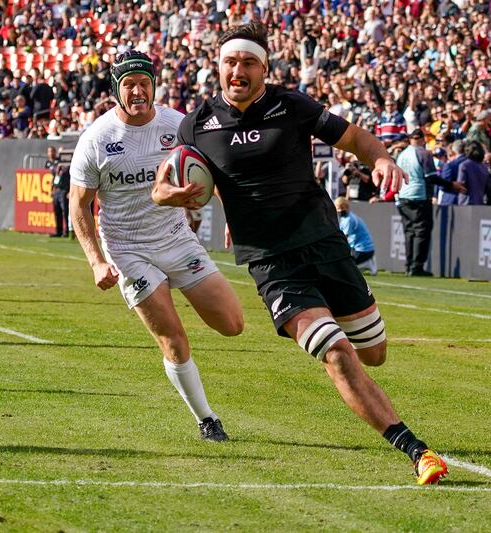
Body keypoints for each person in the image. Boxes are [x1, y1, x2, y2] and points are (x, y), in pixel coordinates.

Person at [153, 21, 447, 484]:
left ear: (264, 69)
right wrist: (166, 196)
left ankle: (369, 370)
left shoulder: (293, 106)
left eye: (249, 62)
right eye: (231, 61)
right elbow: (165, 181)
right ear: (218, 67)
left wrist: (383, 159)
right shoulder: (197, 124)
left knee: (373, 353)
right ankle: (416, 450)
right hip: (271, 262)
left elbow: (355, 139)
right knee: (337, 353)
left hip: (323, 243)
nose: (238, 70)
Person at [69, 51, 244, 442]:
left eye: (144, 83)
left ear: (154, 85)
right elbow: (78, 205)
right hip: (128, 249)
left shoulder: (177, 125)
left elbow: (216, 173)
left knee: (232, 324)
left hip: (177, 239)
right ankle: (206, 418)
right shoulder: (97, 139)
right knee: (174, 338)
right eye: (128, 85)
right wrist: (96, 261)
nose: (137, 91)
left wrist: (231, 214)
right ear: (116, 90)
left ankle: (180, 292)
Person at [396, 128, 465, 277]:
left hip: (403, 196)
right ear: (422, 139)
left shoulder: (402, 154)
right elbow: (432, 177)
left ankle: (408, 265)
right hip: (419, 196)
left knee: (409, 232)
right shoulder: (423, 153)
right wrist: (452, 185)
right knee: (421, 231)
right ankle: (417, 266)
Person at [334, 197, 377, 275]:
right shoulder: (346, 218)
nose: (339, 211)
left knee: (345, 266)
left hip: (363, 251)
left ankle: (366, 264)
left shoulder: (349, 219)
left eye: (342, 208)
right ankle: (367, 263)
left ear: (346, 207)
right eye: (338, 208)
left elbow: (343, 238)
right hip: (363, 250)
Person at [45, 146, 70, 237]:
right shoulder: (56, 164)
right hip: (56, 189)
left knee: (65, 211)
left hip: (64, 189)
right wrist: (52, 189)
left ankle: (67, 231)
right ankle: (58, 231)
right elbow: (54, 176)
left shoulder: (66, 165)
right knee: (57, 211)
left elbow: (68, 177)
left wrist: (68, 190)